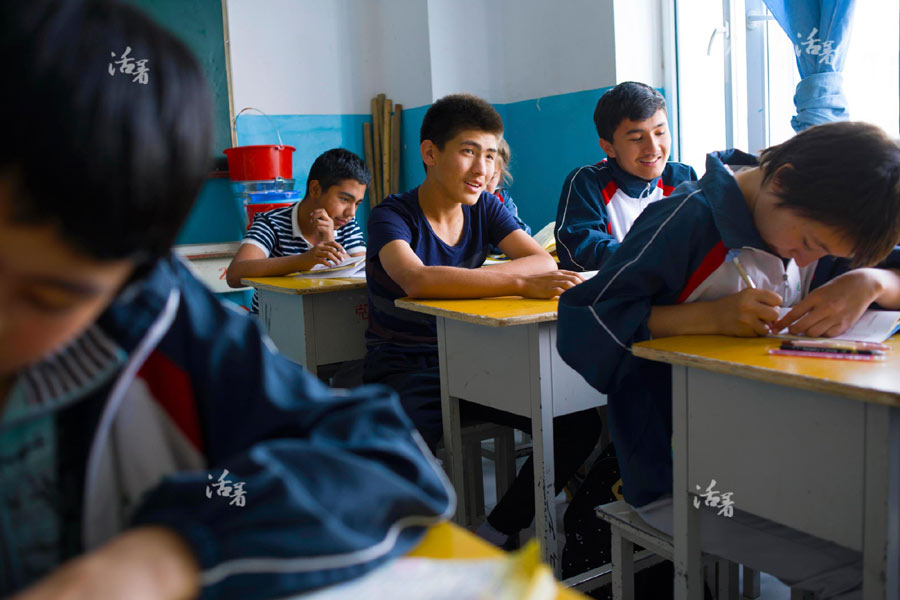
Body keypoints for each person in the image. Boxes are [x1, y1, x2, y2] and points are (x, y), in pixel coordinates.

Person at [0, 1, 452, 598]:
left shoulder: (148, 314)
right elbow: (243, 274)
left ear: (124, 276)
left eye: (50, 297)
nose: (347, 210)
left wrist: (163, 556)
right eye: (341, 198)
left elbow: (381, 463)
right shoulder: (268, 223)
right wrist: (303, 257)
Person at [558, 121, 900, 597]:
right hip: (686, 479)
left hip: (781, 456)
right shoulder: (684, 221)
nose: (806, 262)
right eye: (810, 244)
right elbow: (583, 323)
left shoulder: (817, 217)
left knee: (885, 538)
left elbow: (881, 268)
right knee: (858, 571)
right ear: (781, 179)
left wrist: (871, 282)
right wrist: (705, 317)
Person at [362, 93, 601, 550]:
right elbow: (416, 280)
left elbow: (539, 262)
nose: (482, 169)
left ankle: (495, 531)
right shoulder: (391, 216)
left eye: (490, 155)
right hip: (408, 367)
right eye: (469, 151)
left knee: (577, 423)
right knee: (401, 459)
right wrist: (513, 282)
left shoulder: (486, 208)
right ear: (430, 153)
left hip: (472, 358)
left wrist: (506, 278)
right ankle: (404, 558)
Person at [555, 81, 697, 272]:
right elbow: (581, 250)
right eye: (637, 139)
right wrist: (654, 258)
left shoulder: (683, 178)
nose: (653, 149)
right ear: (608, 147)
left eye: (660, 133)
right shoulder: (588, 183)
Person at [226, 148, 369, 314]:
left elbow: (366, 273)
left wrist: (330, 242)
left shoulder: (346, 225)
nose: (351, 213)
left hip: (326, 322)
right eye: (344, 199)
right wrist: (304, 261)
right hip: (273, 326)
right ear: (315, 189)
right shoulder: (271, 223)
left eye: (357, 203)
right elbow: (235, 274)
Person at [486, 137, 531, 236]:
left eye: (491, 178)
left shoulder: (502, 198)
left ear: (500, 176)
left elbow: (523, 233)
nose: (482, 183)